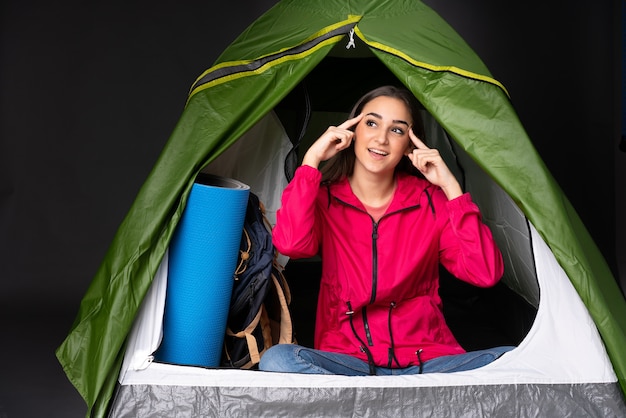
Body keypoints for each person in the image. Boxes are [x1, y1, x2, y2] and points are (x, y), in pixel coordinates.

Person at [259, 86, 513, 376]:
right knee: (278, 361)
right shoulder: (325, 199)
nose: (381, 138)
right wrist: (312, 161)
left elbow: (484, 272)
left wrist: (451, 188)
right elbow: (292, 244)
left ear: (409, 144)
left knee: (514, 359)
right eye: (371, 123)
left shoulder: (431, 201)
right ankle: (399, 402)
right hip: (350, 362)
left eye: (397, 130)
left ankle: (382, 402)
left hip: (426, 362)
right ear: (351, 132)